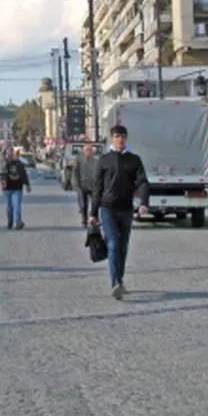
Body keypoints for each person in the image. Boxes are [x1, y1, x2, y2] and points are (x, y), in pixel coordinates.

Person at [88, 125, 150, 300]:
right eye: (116, 136)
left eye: (123, 136)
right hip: (108, 208)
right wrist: (93, 213)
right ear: (112, 139)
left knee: (123, 246)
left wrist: (144, 203)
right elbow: (97, 188)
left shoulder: (134, 160)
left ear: (126, 138)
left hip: (126, 209)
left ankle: (119, 280)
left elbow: (143, 182)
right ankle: (115, 283)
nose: (120, 139)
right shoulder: (104, 160)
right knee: (113, 244)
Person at [0, 146, 31, 229]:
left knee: (17, 206)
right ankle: (10, 222)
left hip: (17, 188)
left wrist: (27, 185)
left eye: (11, 152)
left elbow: (23, 174)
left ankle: (18, 222)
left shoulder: (18, 163)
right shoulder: (3, 163)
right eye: (8, 153)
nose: (10, 154)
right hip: (7, 188)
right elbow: (2, 171)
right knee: (9, 207)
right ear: (5, 154)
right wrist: (7, 161)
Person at [73, 145, 98, 227]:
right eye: (87, 150)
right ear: (83, 151)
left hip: (93, 186)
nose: (88, 151)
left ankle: (94, 218)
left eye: (90, 150)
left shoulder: (95, 161)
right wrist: (76, 184)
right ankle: (84, 220)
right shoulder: (79, 160)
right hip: (82, 186)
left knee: (95, 203)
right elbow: (75, 173)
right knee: (84, 204)